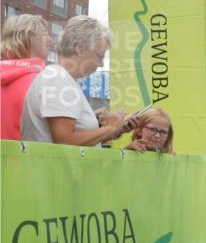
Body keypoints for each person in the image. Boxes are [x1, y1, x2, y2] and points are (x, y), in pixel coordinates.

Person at [20, 16, 136, 146]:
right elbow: (65, 140)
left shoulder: (60, 78)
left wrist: (114, 130)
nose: (101, 64)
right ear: (80, 49)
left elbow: (75, 140)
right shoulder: (58, 80)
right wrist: (110, 128)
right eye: (100, 56)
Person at [1, 14, 52, 140]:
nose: (50, 39)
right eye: (45, 34)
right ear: (28, 38)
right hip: (26, 157)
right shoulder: (43, 82)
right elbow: (60, 133)